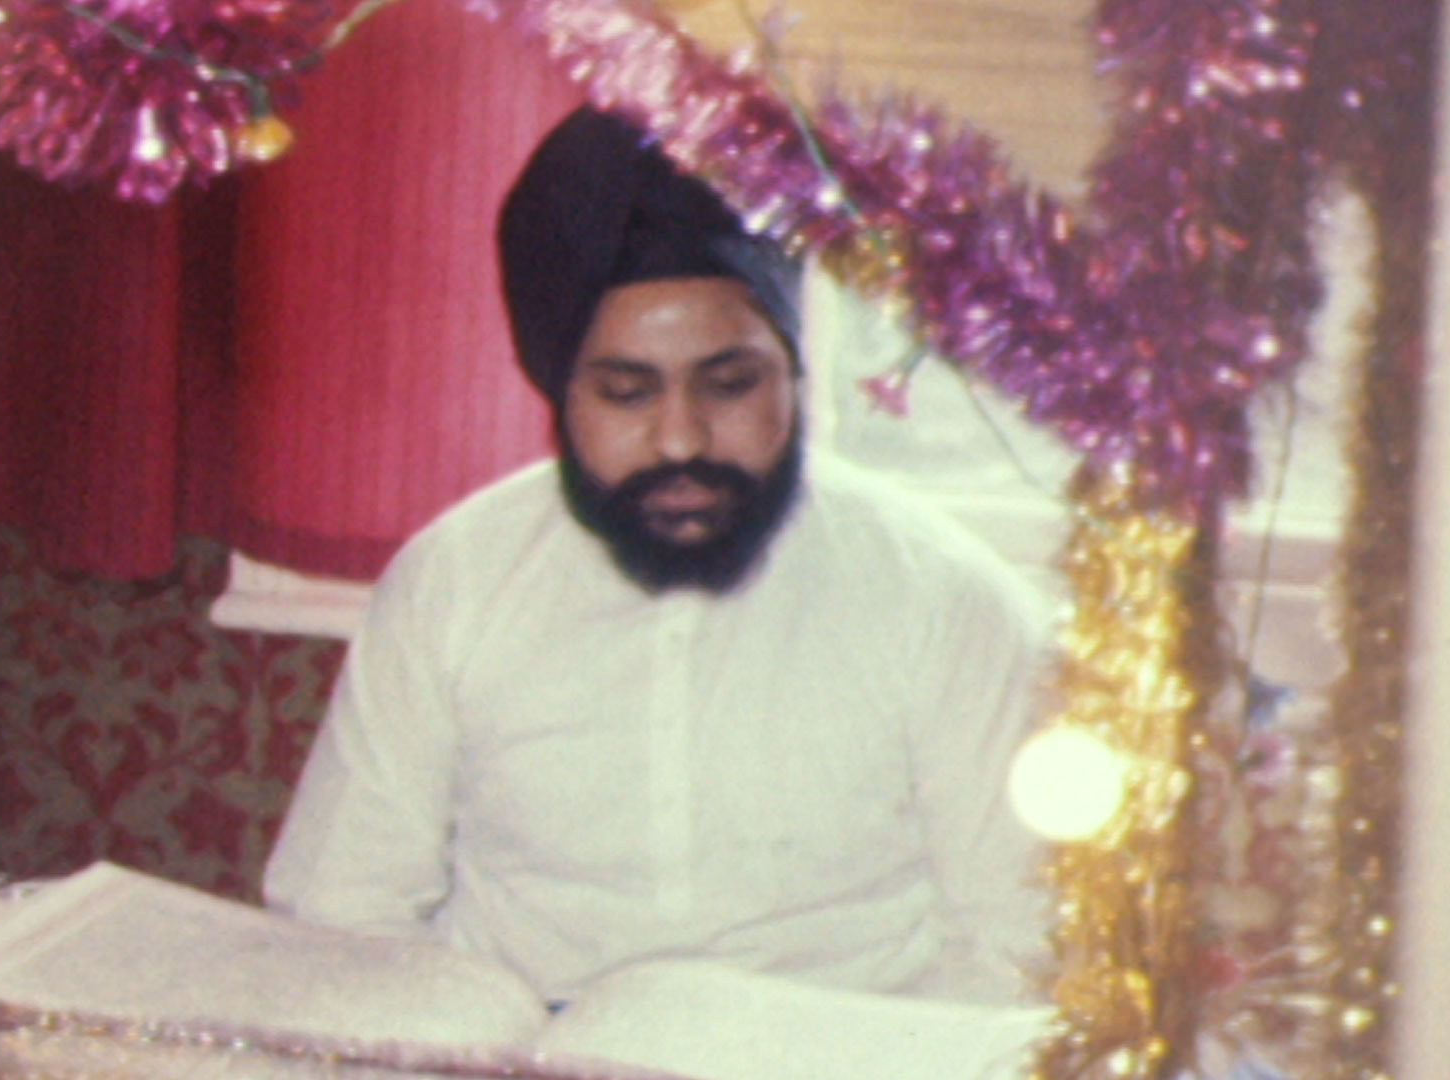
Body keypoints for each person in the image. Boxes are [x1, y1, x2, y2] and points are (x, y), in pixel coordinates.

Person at [262, 106, 1057, 1008]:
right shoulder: (453, 581)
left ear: (794, 371)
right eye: (626, 392)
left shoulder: (948, 599)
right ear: (559, 396)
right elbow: (340, 912)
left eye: (730, 384)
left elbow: (1021, 953)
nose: (681, 440)